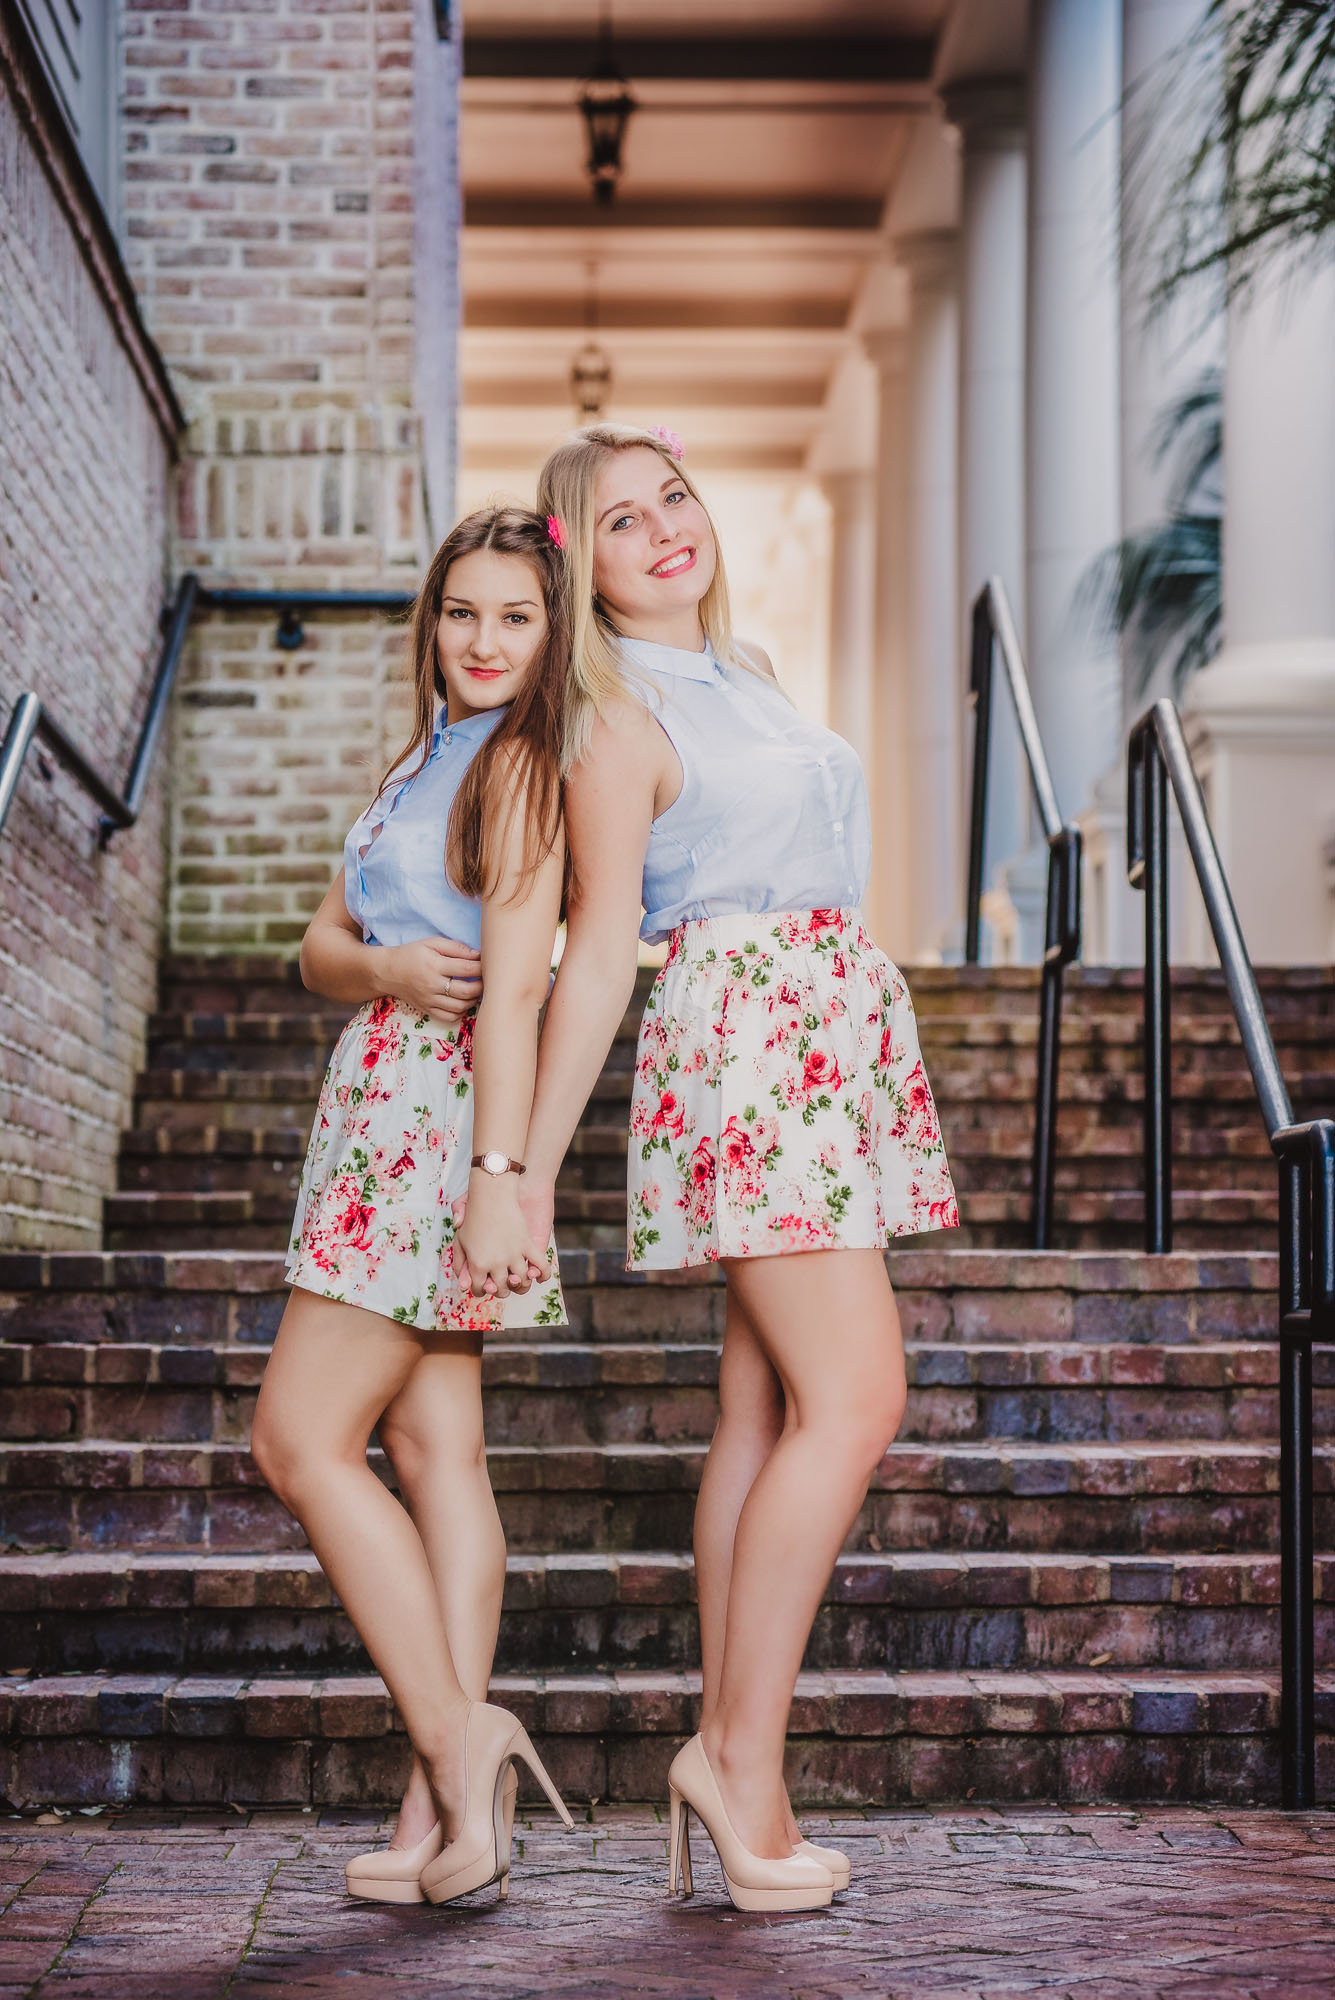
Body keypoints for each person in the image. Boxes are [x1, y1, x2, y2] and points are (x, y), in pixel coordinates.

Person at [519, 424, 959, 1913]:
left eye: (676, 499)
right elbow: (595, 957)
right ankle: (739, 1759)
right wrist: (516, 1167)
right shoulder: (616, 713)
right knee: (861, 1396)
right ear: (584, 563)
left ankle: (728, 1742)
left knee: (763, 1404)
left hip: (820, 1017)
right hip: (761, 1040)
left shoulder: (744, 674)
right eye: (623, 522)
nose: (666, 533)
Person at [250, 506, 573, 1909]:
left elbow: (513, 997)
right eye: (462, 612)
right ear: (429, 624)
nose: (485, 640)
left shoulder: (514, 771)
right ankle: (443, 1814)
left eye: (515, 615)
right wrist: (380, 971)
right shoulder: (418, 762)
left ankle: (460, 1743)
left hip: (435, 1127)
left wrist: (498, 1184)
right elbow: (320, 946)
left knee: (298, 1438)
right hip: (380, 1096)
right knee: (439, 1452)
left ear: (554, 634)